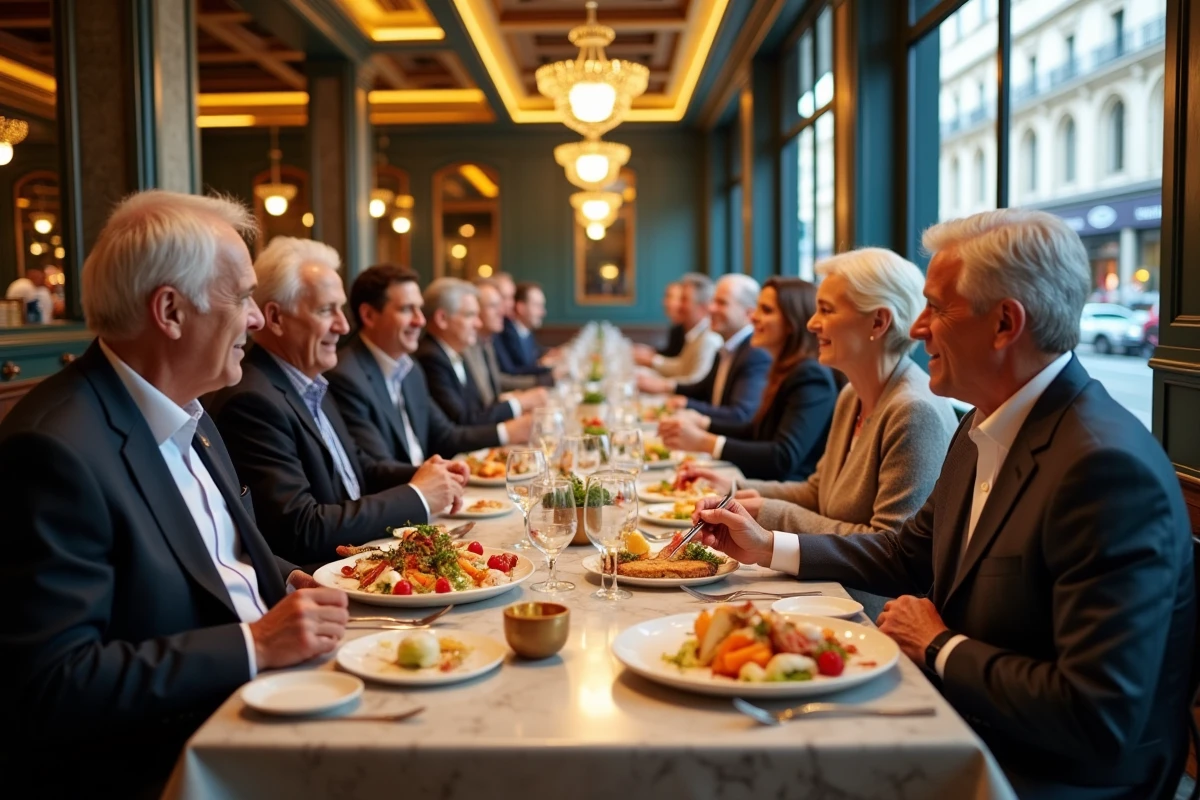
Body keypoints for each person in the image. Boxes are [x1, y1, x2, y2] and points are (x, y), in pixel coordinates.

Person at [693, 209, 1194, 799]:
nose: (920, 325)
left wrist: (940, 645)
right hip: (967, 716)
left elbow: (1096, 717)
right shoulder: (982, 420)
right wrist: (765, 545)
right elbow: (909, 552)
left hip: (1049, 773)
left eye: (936, 307)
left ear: (1005, 324)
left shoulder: (1104, 468)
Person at [0, 191, 350, 796]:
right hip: (179, 759)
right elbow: (50, 683)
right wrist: (254, 644)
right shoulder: (53, 449)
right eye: (242, 297)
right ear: (170, 311)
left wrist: (290, 579)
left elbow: (216, 560)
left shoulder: (192, 407)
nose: (258, 319)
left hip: (274, 700)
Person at [678, 249, 957, 618]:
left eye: (826, 310)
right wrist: (742, 498)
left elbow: (890, 551)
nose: (811, 323)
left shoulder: (913, 411)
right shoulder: (852, 394)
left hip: (868, 614)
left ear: (878, 323)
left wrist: (770, 528)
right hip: (823, 590)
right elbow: (817, 490)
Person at [206, 237, 467, 565]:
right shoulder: (252, 401)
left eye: (340, 309)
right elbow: (301, 530)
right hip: (323, 585)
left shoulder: (310, 381)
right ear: (274, 318)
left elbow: (359, 470)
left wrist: (430, 475)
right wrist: (418, 496)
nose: (344, 326)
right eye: (326, 310)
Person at [327, 266, 531, 466]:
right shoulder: (346, 376)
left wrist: (507, 432)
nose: (420, 320)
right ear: (369, 315)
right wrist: (436, 479)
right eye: (407, 309)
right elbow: (376, 470)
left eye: (419, 308)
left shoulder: (410, 367)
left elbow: (445, 435)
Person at [661, 277, 837, 481]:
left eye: (766, 310)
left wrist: (705, 442)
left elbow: (782, 457)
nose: (753, 317)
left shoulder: (810, 375)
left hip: (785, 498)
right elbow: (755, 430)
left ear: (792, 322)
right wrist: (704, 423)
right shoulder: (782, 367)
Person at [643, 273, 771, 425]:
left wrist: (697, 418)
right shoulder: (726, 349)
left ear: (749, 313)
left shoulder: (755, 353)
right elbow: (703, 388)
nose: (711, 308)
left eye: (721, 303)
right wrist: (682, 401)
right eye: (713, 301)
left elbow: (740, 415)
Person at [416, 277, 535, 429]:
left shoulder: (455, 352)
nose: (478, 323)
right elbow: (462, 420)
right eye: (470, 315)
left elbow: (477, 407)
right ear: (442, 319)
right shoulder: (430, 357)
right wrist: (513, 416)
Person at [467, 278, 547, 402]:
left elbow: (494, 390)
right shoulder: (468, 346)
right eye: (494, 305)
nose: (503, 310)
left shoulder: (486, 341)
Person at [633, 273, 722, 384]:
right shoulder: (694, 334)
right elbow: (682, 367)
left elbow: (696, 383)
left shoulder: (709, 338)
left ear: (703, 307)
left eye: (684, 300)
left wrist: (658, 383)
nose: (678, 305)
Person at [493, 281, 559, 379]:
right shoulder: (503, 331)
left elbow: (534, 355)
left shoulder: (526, 331)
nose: (543, 312)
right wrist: (549, 370)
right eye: (537, 306)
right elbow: (512, 372)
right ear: (521, 308)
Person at [656, 281, 687, 357]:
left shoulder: (689, 331)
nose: (664, 302)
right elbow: (670, 353)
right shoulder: (676, 329)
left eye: (669, 297)